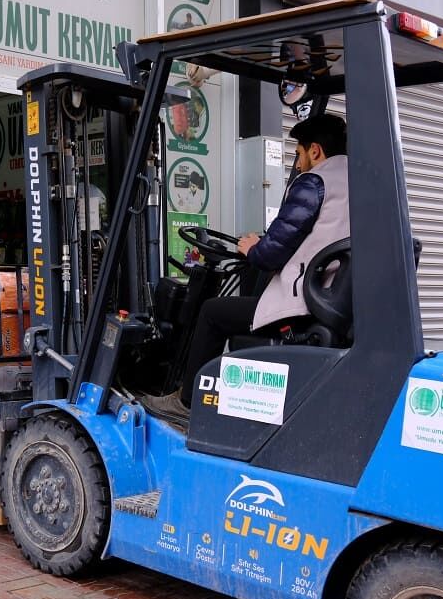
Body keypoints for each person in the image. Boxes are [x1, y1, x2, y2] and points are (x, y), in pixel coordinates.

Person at [147, 114, 350, 418]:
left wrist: (253, 246)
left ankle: (186, 402)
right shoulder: (359, 181)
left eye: (299, 154)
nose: (297, 164)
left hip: (303, 304)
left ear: (316, 151)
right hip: (334, 300)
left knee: (212, 313)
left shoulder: (314, 182)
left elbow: (271, 255)